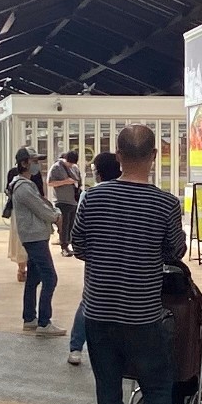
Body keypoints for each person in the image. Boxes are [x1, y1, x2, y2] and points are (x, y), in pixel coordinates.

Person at [72, 129, 189, 404]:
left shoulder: (92, 199)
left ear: (118, 155)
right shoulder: (166, 204)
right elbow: (175, 252)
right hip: (143, 311)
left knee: (108, 388)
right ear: (154, 156)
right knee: (156, 384)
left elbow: (77, 246)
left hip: (98, 310)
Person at [67, 152, 122, 368]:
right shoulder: (131, 191)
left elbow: (78, 236)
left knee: (89, 301)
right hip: (126, 262)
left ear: (98, 173)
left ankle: (76, 348)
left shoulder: (90, 196)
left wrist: (87, 254)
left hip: (97, 261)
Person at [8, 147, 63, 333]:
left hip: (34, 235)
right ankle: (44, 322)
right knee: (50, 277)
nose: (37, 165)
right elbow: (42, 209)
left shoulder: (24, 185)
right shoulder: (23, 187)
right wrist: (56, 215)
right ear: (24, 163)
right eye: (34, 161)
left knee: (34, 277)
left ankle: (30, 317)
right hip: (35, 236)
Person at [49, 150, 82, 254]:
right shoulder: (56, 167)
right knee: (64, 225)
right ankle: (64, 246)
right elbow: (50, 183)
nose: (71, 165)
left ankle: (71, 244)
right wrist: (65, 182)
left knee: (72, 225)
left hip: (73, 200)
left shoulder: (75, 168)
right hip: (62, 200)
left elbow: (78, 180)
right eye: (69, 163)